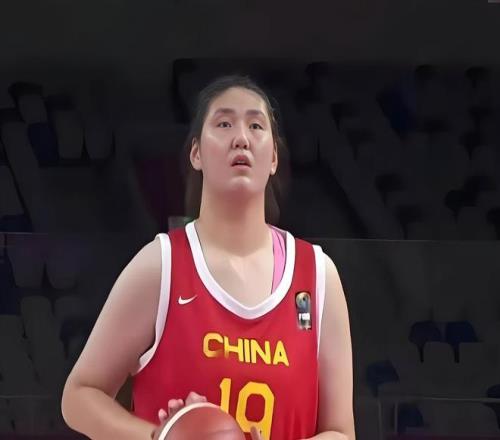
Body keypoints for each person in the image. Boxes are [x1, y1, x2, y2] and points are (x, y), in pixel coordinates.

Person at [61, 75, 355, 440]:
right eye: (224, 123)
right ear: (196, 153)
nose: (241, 138)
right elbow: (79, 395)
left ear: (274, 158)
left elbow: (341, 432)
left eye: (256, 125)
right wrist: (160, 437)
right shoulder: (160, 266)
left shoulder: (317, 277)